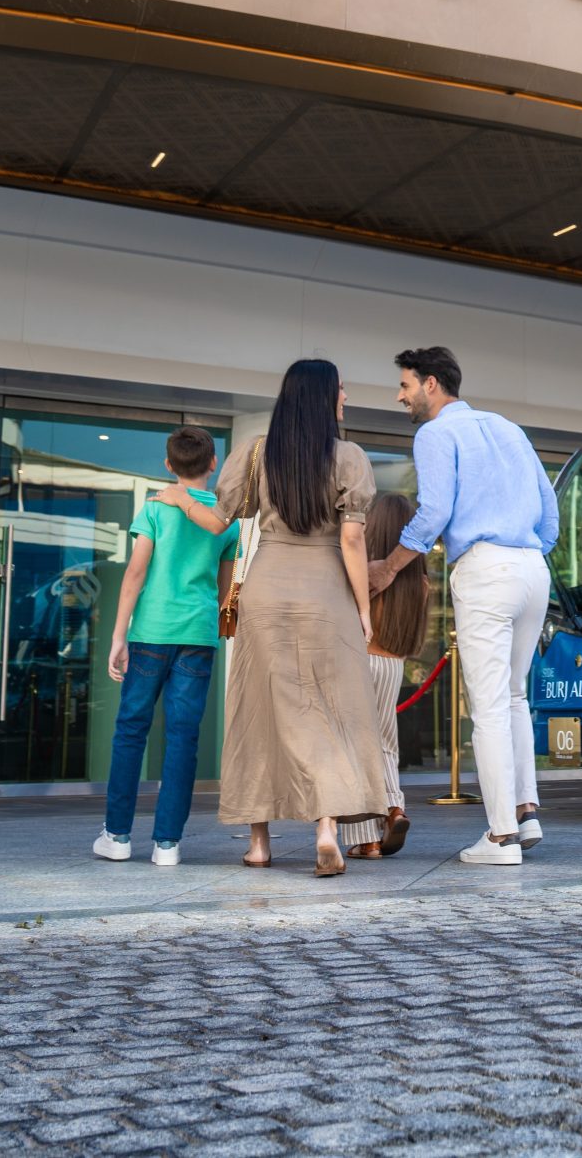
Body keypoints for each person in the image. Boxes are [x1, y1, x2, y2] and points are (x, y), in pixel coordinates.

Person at [167, 360, 388, 877]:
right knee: (329, 709)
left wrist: (177, 497)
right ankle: (326, 830)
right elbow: (353, 540)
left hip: (266, 589)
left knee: (260, 710)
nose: (346, 397)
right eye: (340, 390)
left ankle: (260, 843)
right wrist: (363, 606)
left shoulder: (257, 451)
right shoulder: (349, 457)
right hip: (326, 590)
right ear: (324, 397)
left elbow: (222, 519)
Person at [369, 346, 559, 866]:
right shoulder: (508, 428)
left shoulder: (435, 433)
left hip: (486, 567)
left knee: (491, 707)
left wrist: (388, 566)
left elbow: (435, 512)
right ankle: (524, 811)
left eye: (405, 385)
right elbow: (551, 512)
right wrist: (525, 550)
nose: (400, 395)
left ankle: (500, 839)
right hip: (531, 567)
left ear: (431, 384)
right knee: (516, 698)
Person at [93, 425, 239, 868]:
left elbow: (135, 573)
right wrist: (205, 625)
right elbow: (226, 587)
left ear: (168, 465)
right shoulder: (226, 517)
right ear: (213, 464)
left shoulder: (155, 507)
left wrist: (119, 634)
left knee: (131, 730)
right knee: (183, 738)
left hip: (150, 634)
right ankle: (167, 844)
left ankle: (117, 836)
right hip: (196, 637)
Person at [339, 491, 431, 860]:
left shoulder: (365, 572)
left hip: (359, 660)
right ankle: (394, 808)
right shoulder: (419, 583)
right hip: (394, 664)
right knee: (385, 744)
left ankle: (367, 839)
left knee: (354, 747)